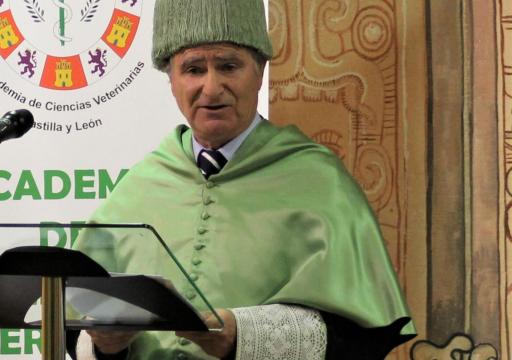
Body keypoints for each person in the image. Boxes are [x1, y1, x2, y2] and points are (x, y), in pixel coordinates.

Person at [73, 0, 415, 359]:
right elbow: (76, 320)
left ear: (260, 70)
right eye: (192, 69)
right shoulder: (139, 188)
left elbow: (367, 336)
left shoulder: (318, 181)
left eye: (228, 66)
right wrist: (105, 346)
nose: (211, 87)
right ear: (171, 81)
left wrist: (246, 336)